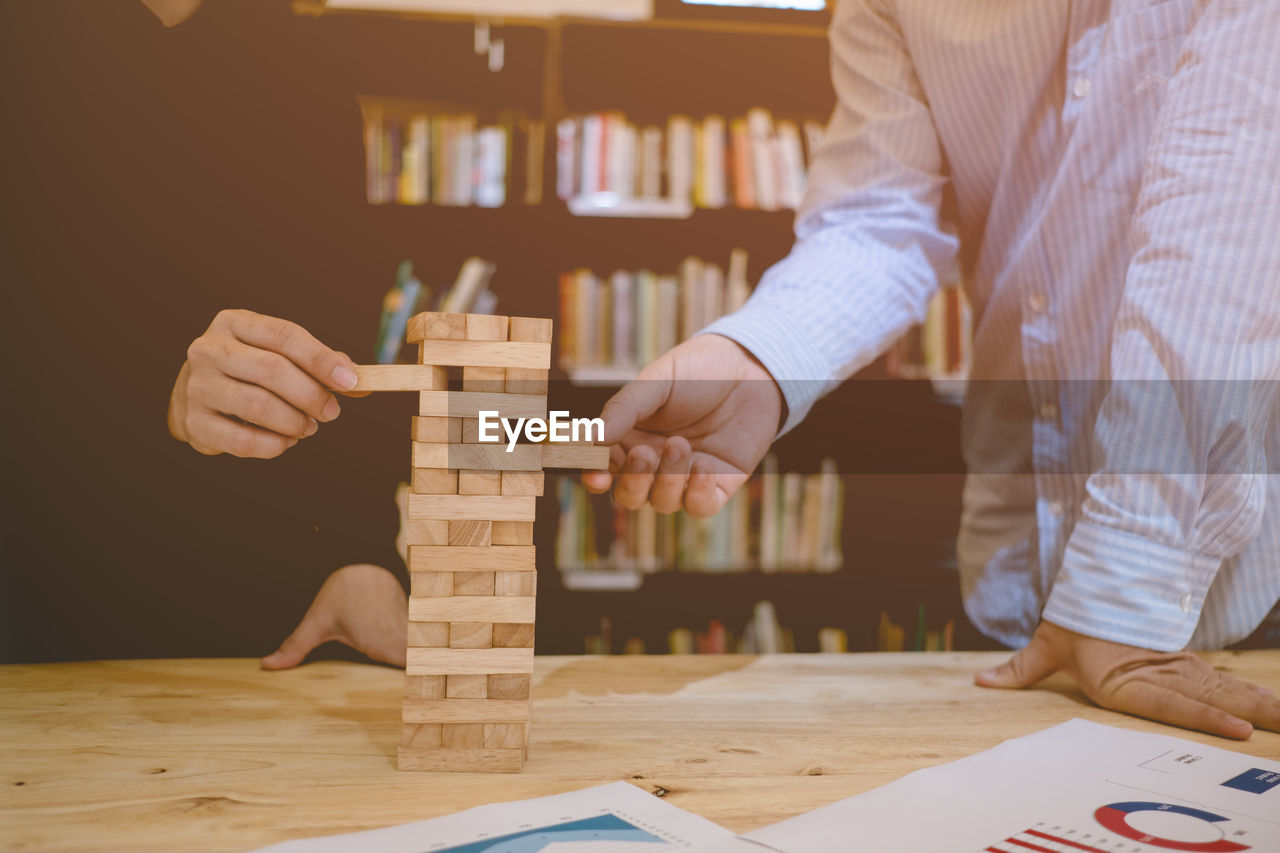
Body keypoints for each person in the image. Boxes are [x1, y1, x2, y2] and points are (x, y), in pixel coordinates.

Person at [193, 1, 1280, 738]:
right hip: (1020, 571)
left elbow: (1221, 237)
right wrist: (747, 361)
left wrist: (1127, 585)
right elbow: (879, 223)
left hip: (1211, 576)